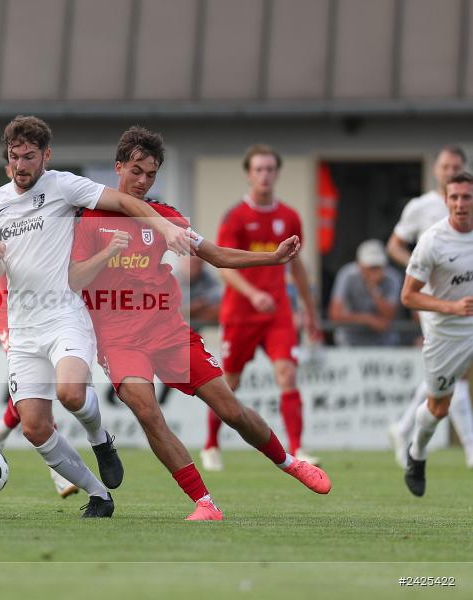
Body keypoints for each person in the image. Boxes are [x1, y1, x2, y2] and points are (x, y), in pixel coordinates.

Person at [70, 127, 331, 521]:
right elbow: (74, 279)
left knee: (231, 409)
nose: (142, 181)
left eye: (150, 175)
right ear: (118, 167)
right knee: (147, 410)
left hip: (168, 333)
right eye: (136, 171)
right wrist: (108, 253)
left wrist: (273, 259)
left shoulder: (166, 217)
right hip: (119, 341)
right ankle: (205, 503)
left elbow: (216, 255)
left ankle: (288, 462)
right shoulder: (89, 219)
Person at [0, 115, 200, 518]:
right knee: (33, 427)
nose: (21, 165)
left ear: (45, 156)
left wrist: (164, 227)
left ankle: (100, 440)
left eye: (29, 157)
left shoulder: (63, 185)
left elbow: (124, 201)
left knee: (70, 393)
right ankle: (98, 494)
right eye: (14, 158)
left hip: (65, 314)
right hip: (24, 326)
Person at [0, 154, 79, 498]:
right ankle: (58, 471)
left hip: (51, 306)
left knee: (43, 385)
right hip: (9, 309)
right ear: (8, 170)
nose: (20, 170)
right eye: (13, 163)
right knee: (38, 387)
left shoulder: (56, 199)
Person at [201, 144, 322, 472]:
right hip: (241, 313)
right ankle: (211, 444)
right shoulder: (237, 216)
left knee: (287, 374)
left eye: (270, 169)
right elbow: (223, 266)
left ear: (277, 173)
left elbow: (297, 268)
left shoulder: (290, 217)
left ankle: (297, 448)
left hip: (278, 312)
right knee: (230, 383)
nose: (265, 175)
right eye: (259, 169)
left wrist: (310, 313)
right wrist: (253, 294)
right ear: (249, 174)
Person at [387, 146, 473, 468]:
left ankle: (410, 429)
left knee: (453, 380)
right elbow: (394, 247)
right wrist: (417, 268)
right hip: (437, 305)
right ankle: (418, 436)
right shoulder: (423, 210)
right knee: (450, 387)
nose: (450, 171)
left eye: (456, 166)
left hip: (465, 302)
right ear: (436, 170)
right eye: (445, 166)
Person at [328, 239, 402, 346]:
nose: (374, 271)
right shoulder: (347, 275)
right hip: (350, 341)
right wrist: (368, 319)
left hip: (383, 342)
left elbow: (389, 316)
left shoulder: (392, 278)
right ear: (359, 264)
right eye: (370, 267)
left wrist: (374, 289)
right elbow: (335, 315)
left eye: (378, 266)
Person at [186, 256, 222, 324]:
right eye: (192, 263)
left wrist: (202, 303)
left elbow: (218, 294)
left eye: (198, 263)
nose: (194, 266)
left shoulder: (207, 277)